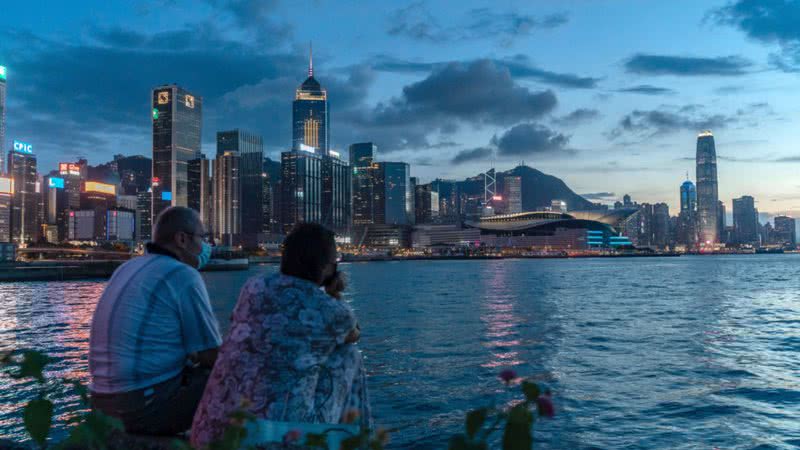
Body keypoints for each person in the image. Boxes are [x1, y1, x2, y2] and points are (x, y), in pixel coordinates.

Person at [191, 223, 371, 448]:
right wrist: (334, 292)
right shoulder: (329, 310)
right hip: (270, 439)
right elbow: (354, 333)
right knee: (348, 355)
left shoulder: (254, 287)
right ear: (326, 266)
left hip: (209, 435)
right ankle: (358, 442)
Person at [89, 206, 221, 436]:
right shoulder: (183, 274)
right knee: (234, 375)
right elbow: (211, 354)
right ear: (182, 239)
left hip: (100, 406)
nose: (206, 246)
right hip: (140, 408)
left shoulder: (127, 267)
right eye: (202, 238)